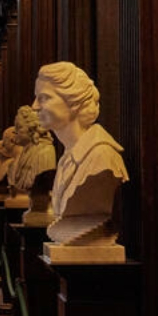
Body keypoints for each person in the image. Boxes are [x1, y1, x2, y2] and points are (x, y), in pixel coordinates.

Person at [33, 62, 126, 248]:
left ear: (74, 103)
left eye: (44, 98)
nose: (35, 106)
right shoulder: (67, 158)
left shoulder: (101, 157)